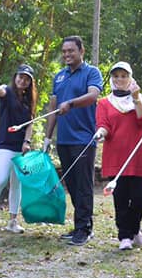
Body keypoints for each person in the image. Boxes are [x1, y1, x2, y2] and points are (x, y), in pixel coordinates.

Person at [43, 36, 103, 247]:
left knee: (84, 185)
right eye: (64, 51)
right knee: (73, 184)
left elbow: (93, 95)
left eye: (71, 51)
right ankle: (80, 226)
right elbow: (53, 109)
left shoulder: (91, 72)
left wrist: (71, 103)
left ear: (81, 51)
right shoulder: (59, 76)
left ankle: (84, 229)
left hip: (84, 139)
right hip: (64, 140)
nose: (67, 54)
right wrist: (48, 137)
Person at [0, 64, 37, 237]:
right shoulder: (7, 92)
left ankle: (12, 221)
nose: (22, 81)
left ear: (30, 82)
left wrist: (27, 141)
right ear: (15, 77)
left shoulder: (28, 99)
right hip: (4, 145)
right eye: (20, 77)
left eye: (27, 79)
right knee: (0, 180)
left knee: (16, 183)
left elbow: (30, 123)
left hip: (20, 147)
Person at [97, 62, 142, 251]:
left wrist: (135, 97)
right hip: (116, 157)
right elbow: (104, 124)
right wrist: (100, 133)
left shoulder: (141, 99)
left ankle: (134, 229)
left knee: (140, 197)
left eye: (124, 76)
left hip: (138, 155)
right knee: (120, 198)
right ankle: (125, 236)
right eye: (116, 76)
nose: (120, 80)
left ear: (130, 78)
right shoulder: (104, 102)